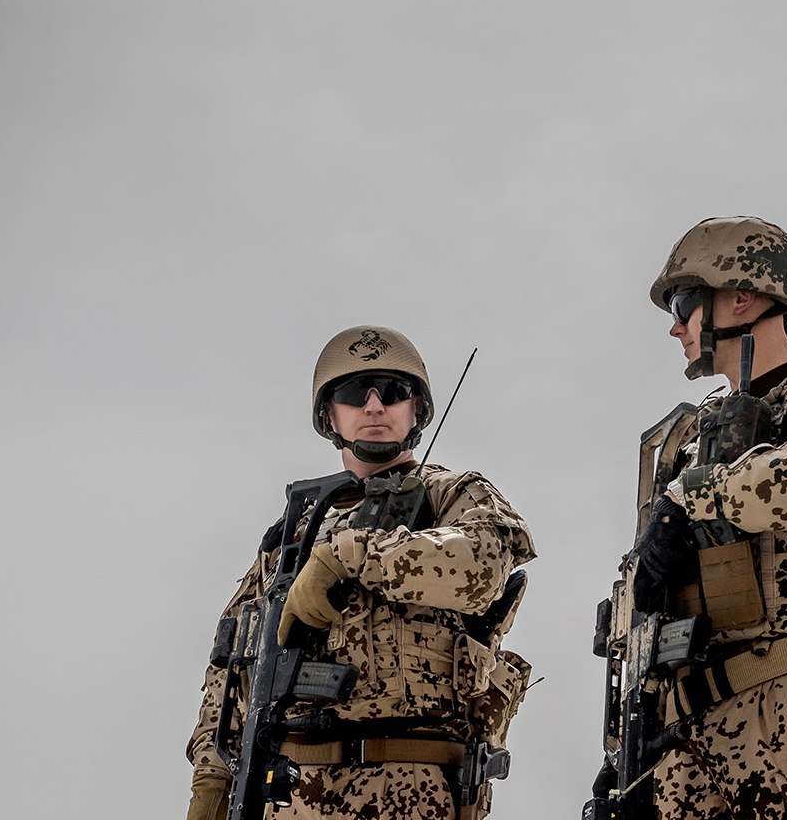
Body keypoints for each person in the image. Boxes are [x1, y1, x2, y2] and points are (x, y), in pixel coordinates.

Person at [600, 216, 787, 819]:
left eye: (686, 303)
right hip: (682, 744)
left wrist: (695, 502)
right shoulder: (688, 442)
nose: (674, 326)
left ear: (741, 297)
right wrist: (624, 764)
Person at [186, 325, 536, 820]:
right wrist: (211, 782)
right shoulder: (292, 537)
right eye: (354, 393)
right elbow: (229, 672)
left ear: (416, 409)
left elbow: (482, 565)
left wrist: (349, 557)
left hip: (411, 788)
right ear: (330, 414)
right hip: (289, 795)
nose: (374, 406)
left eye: (392, 392)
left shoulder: (450, 496)